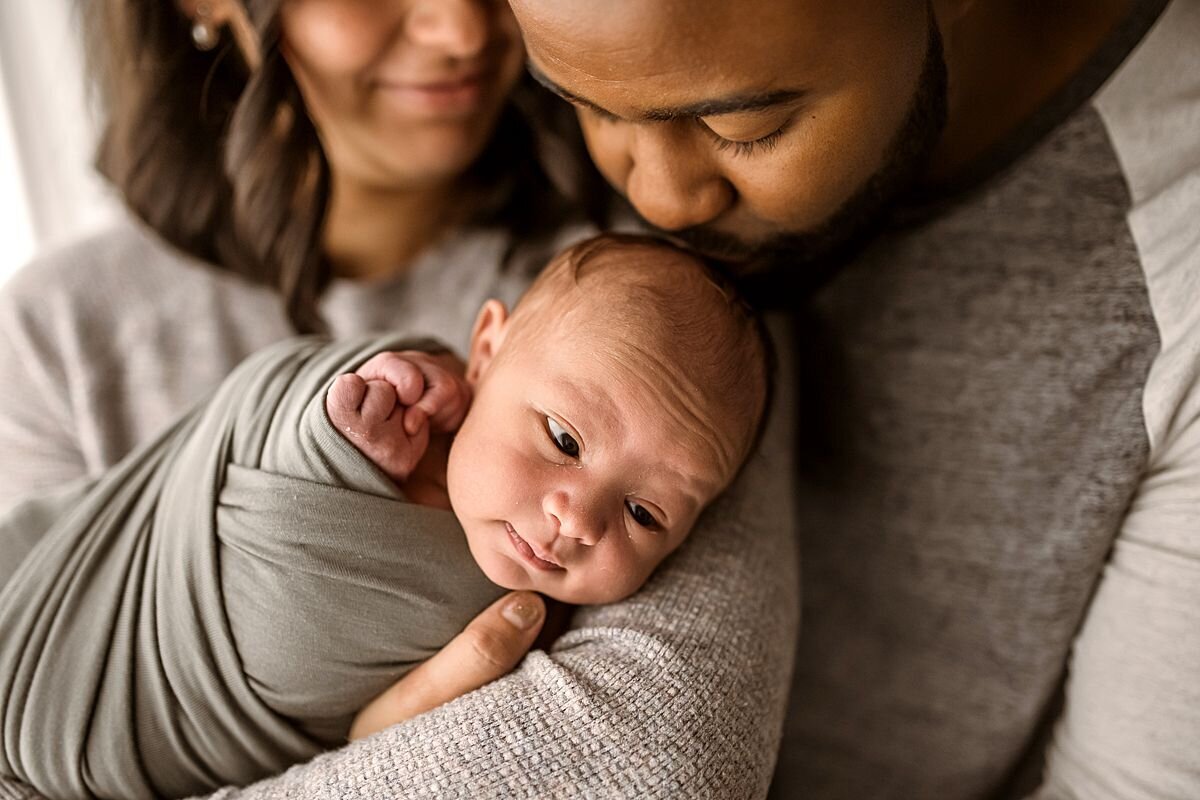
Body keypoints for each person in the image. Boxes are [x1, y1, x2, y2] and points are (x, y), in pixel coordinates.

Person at [11, 0, 1179, 797]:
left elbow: (651, 759)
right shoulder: (54, 331)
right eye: (590, 99)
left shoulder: (648, 309)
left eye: (745, 121)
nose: (665, 195)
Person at [0, 234, 771, 799]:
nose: (578, 518)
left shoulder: (552, 632)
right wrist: (338, 423)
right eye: (564, 439)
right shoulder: (395, 410)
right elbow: (261, 418)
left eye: (644, 513)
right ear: (486, 351)